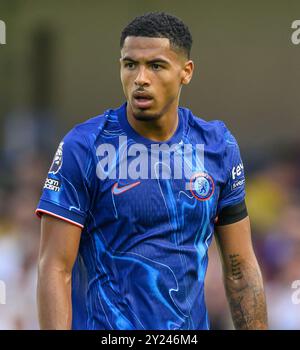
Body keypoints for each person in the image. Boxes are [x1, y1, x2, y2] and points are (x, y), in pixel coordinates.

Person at [36, 12, 268, 330]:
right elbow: (55, 268)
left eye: (156, 66)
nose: (140, 78)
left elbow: (240, 269)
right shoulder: (85, 146)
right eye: (130, 64)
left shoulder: (218, 146)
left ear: (186, 72)